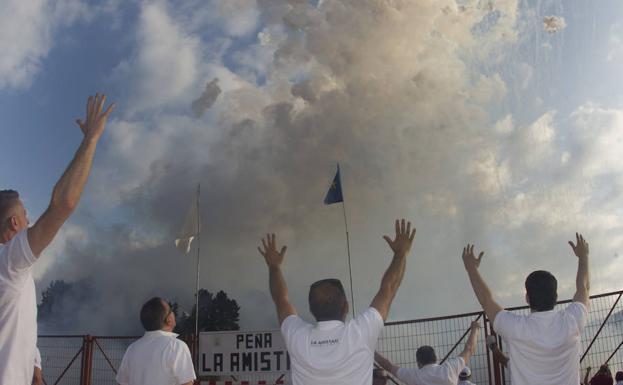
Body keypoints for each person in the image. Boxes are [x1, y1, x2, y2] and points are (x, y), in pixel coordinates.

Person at [0, 94, 115, 385]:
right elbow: (62, 204)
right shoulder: (10, 261)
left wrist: (35, 371)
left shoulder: (13, 272)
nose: (30, 221)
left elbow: (16, 330)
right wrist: (91, 139)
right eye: (25, 216)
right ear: (14, 223)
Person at [257, 219, 416, 385]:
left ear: (311, 310)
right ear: (346, 307)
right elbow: (388, 289)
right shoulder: (360, 333)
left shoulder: (297, 337)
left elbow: (281, 300)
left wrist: (274, 267)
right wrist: (401, 254)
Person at [460, 233, 590, 385]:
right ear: (556, 297)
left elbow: (486, 300)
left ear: (527, 298)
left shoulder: (515, 328)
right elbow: (584, 288)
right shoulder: (572, 321)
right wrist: (583, 257)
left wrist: (471, 268)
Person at [116, 297, 196, 385]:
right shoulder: (176, 346)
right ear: (169, 320)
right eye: (170, 310)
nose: (173, 313)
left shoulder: (132, 349)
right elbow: (187, 383)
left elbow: (122, 382)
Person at [374, 321, 480, 385]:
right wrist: (475, 329)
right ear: (436, 358)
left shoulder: (415, 376)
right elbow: (469, 349)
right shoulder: (449, 369)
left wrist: (371, 351)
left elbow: (388, 366)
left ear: (419, 363)